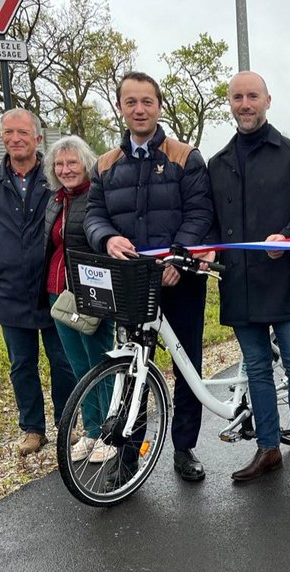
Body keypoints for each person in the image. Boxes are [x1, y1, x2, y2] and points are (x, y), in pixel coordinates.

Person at [83, 71, 214, 483]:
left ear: (159, 106)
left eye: (147, 102)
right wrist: (106, 239)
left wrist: (178, 256)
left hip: (181, 280)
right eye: (131, 102)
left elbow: (200, 212)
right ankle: (128, 455)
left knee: (186, 364)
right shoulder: (105, 164)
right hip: (133, 283)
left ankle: (184, 448)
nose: (139, 109)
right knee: (131, 368)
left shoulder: (184, 156)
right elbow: (93, 215)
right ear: (120, 107)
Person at [208, 71, 290, 487]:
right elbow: (212, 222)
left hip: (284, 278)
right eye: (238, 97)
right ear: (230, 103)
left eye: (253, 97)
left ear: (268, 100)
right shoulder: (218, 162)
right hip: (238, 283)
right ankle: (266, 449)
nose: (245, 104)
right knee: (257, 369)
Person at [0, 108, 76, 457]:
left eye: (22, 133)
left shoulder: (55, 175)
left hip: (52, 286)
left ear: (36, 138)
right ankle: (33, 429)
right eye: (8, 133)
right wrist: (5, 260)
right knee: (21, 363)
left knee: (62, 359)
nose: (14, 139)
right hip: (11, 290)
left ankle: (66, 423)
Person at [42, 135, 115, 464]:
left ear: (85, 163)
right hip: (59, 294)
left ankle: (111, 434)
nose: (65, 169)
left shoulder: (98, 197)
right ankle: (91, 430)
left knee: (101, 363)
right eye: (59, 163)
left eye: (72, 162)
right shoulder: (56, 200)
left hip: (91, 292)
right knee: (78, 366)